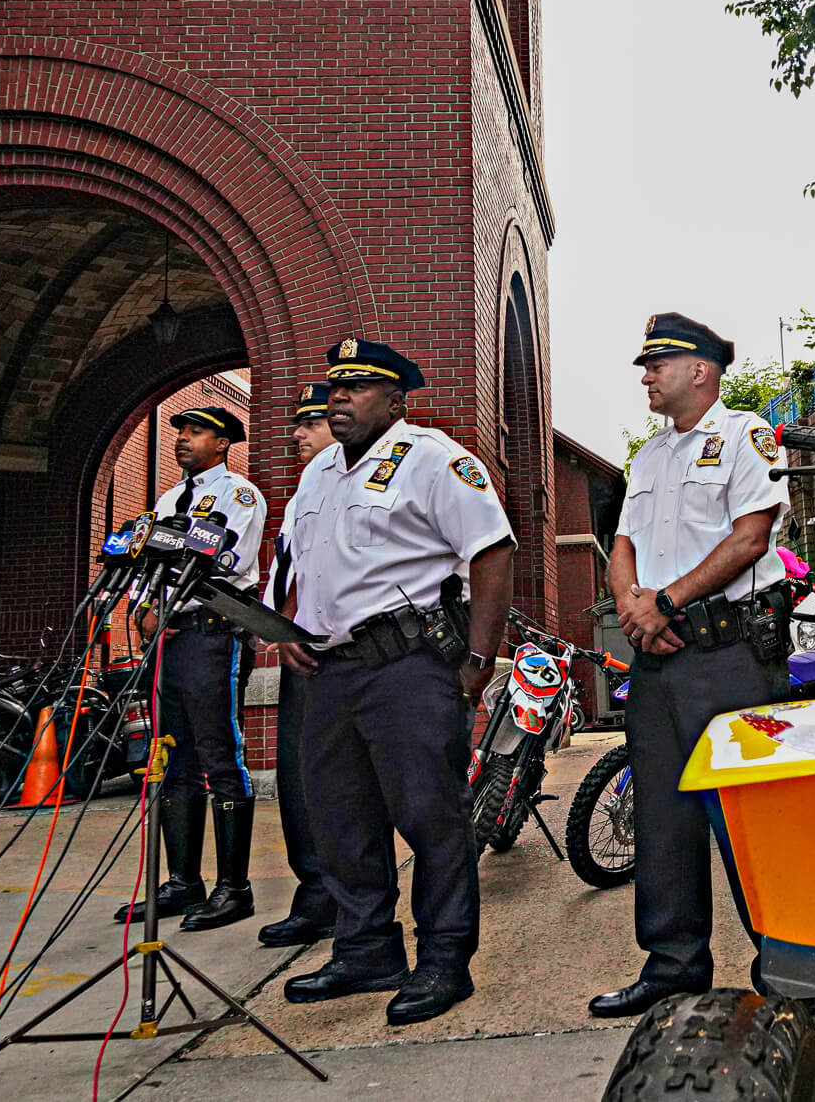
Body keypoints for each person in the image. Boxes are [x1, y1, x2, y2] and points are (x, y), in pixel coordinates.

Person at [274, 337, 515, 1026]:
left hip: (407, 665)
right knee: (339, 818)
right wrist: (289, 623)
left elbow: (493, 552)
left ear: (394, 400)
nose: (338, 399)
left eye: (356, 388)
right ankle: (366, 950)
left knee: (430, 815)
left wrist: (479, 658)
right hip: (328, 671)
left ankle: (444, 957)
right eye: (334, 387)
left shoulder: (434, 459)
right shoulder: (318, 472)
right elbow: (303, 560)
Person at [589, 313, 793, 1020]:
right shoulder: (646, 458)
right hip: (658, 658)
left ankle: (785, 962)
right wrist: (634, 609)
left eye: (658, 365)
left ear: (700, 370)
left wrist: (667, 602)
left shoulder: (745, 435)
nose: (646, 377)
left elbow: (751, 538)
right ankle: (673, 965)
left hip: (730, 656)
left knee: (750, 818)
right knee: (662, 817)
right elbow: (622, 545)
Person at [115, 405, 269, 933]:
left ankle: (234, 888)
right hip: (169, 639)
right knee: (172, 755)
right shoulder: (167, 500)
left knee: (219, 754)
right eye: (180, 430)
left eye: (196, 431)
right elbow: (147, 561)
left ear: (222, 443)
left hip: (212, 635)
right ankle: (183, 881)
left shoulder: (238, 494)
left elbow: (224, 562)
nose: (183, 438)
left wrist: (167, 601)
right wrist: (143, 607)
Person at [255, 383, 344, 948]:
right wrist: (274, 625)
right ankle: (314, 892)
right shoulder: (305, 488)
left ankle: (335, 899)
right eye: (298, 423)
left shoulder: (357, 483)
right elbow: (288, 567)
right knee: (296, 778)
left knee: (334, 784)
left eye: (311, 423)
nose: (297, 434)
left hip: (338, 651)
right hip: (297, 649)